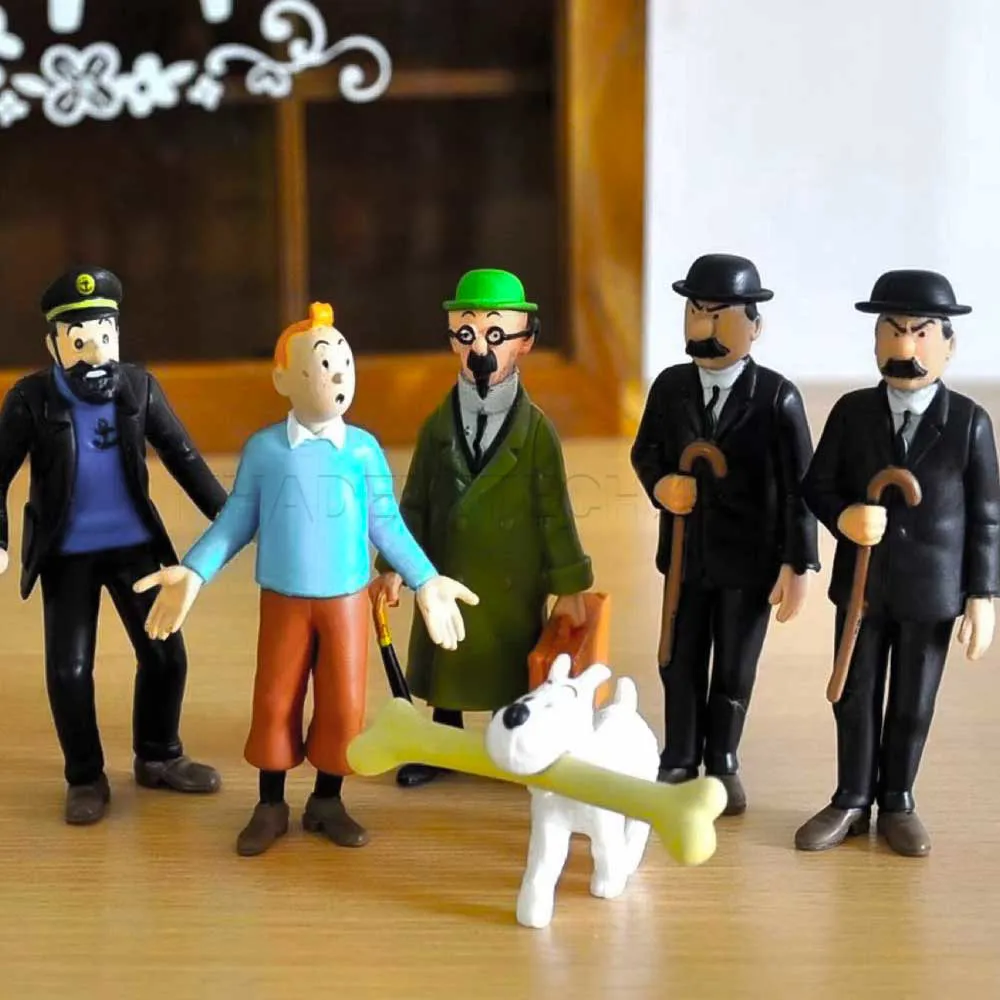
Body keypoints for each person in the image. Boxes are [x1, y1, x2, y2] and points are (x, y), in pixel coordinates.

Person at [135, 302, 478, 856]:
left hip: (346, 602)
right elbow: (236, 519)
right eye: (323, 365)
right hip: (284, 601)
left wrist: (425, 578)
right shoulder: (266, 451)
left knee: (343, 704)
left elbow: (386, 523)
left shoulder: (363, 451)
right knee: (276, 698)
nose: (338, 376)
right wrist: (195, 571)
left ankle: (327, 799)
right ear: (283, 379)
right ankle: (270, 803)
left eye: (345, 364)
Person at [0, 266, 226, 825]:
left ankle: (159, 754)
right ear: (54, 344)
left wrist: (230, 518)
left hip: (135, 548)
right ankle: (84, 776)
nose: (95, 351)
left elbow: (183, 456)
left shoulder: (139, 388)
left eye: (105, 335)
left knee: (165, 653)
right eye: (79, 340)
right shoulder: (30, 399)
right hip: (66, 553)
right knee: (70, 669)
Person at [794, 270, 999, 857]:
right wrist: (845, 517)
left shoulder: (969, 423)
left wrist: (983, 595)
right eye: (892, 331)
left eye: (921, 332)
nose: (905, 346)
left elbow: (987, 516)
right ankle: (852, 797)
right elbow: (817, 485)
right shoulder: (852, 413)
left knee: (913, 702)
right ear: (876, 339)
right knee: (855, 694)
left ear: (949, 345)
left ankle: (898, 800)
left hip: (931, 592)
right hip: (863, 589)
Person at [369, 268, 594, 788]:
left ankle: (510, 740)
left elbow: (555, 512)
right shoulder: (437, 426)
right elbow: (416, 503)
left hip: (513, 577)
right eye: (467, 334)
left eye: (496, 334)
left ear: (525, 341)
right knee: (447, 655)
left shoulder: (535, 432)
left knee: (507, 660)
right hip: (448, 568)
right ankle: (442, 741)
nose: (480, 350)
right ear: (453, 339)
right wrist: (394, 567)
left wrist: (569, 585)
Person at [630, 253, 818, 815]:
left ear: (755, 326)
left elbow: (800, 487)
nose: (705, 327)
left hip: (749, 562)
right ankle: (680, 755)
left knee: (734, 666)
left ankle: (723, 760)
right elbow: (646, 451)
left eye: (721, 315)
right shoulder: (670, 388)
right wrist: (662, 484)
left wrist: (798, 563)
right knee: (679, 658)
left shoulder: (777, 398)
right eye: (697, 312)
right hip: (686, 557)